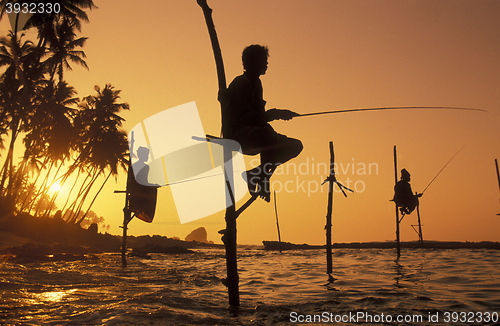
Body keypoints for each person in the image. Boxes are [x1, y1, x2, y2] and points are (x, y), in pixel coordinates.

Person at [221, 44, 303, 202]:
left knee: (295, 145)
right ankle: (262, 179)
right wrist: (274, 115)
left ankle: (256, 174)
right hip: (240, 135)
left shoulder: (257, 84)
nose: (266, 64)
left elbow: (259, 118)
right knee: (269, 136)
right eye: (263, 61)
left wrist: (276, 114)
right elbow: (247, 118)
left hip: (257, 133)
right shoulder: (241, 83)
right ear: (252, 62)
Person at [128, 146, 159, 223]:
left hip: (136, 188)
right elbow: (142, 182)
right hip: (138, 190)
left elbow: (143, 182)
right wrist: (152, 185)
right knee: (153, 191)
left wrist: (152, 185)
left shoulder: (134, 165)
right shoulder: (145, 167)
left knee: (152, 188)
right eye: (146, 155)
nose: (147, 156)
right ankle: (144, 209)